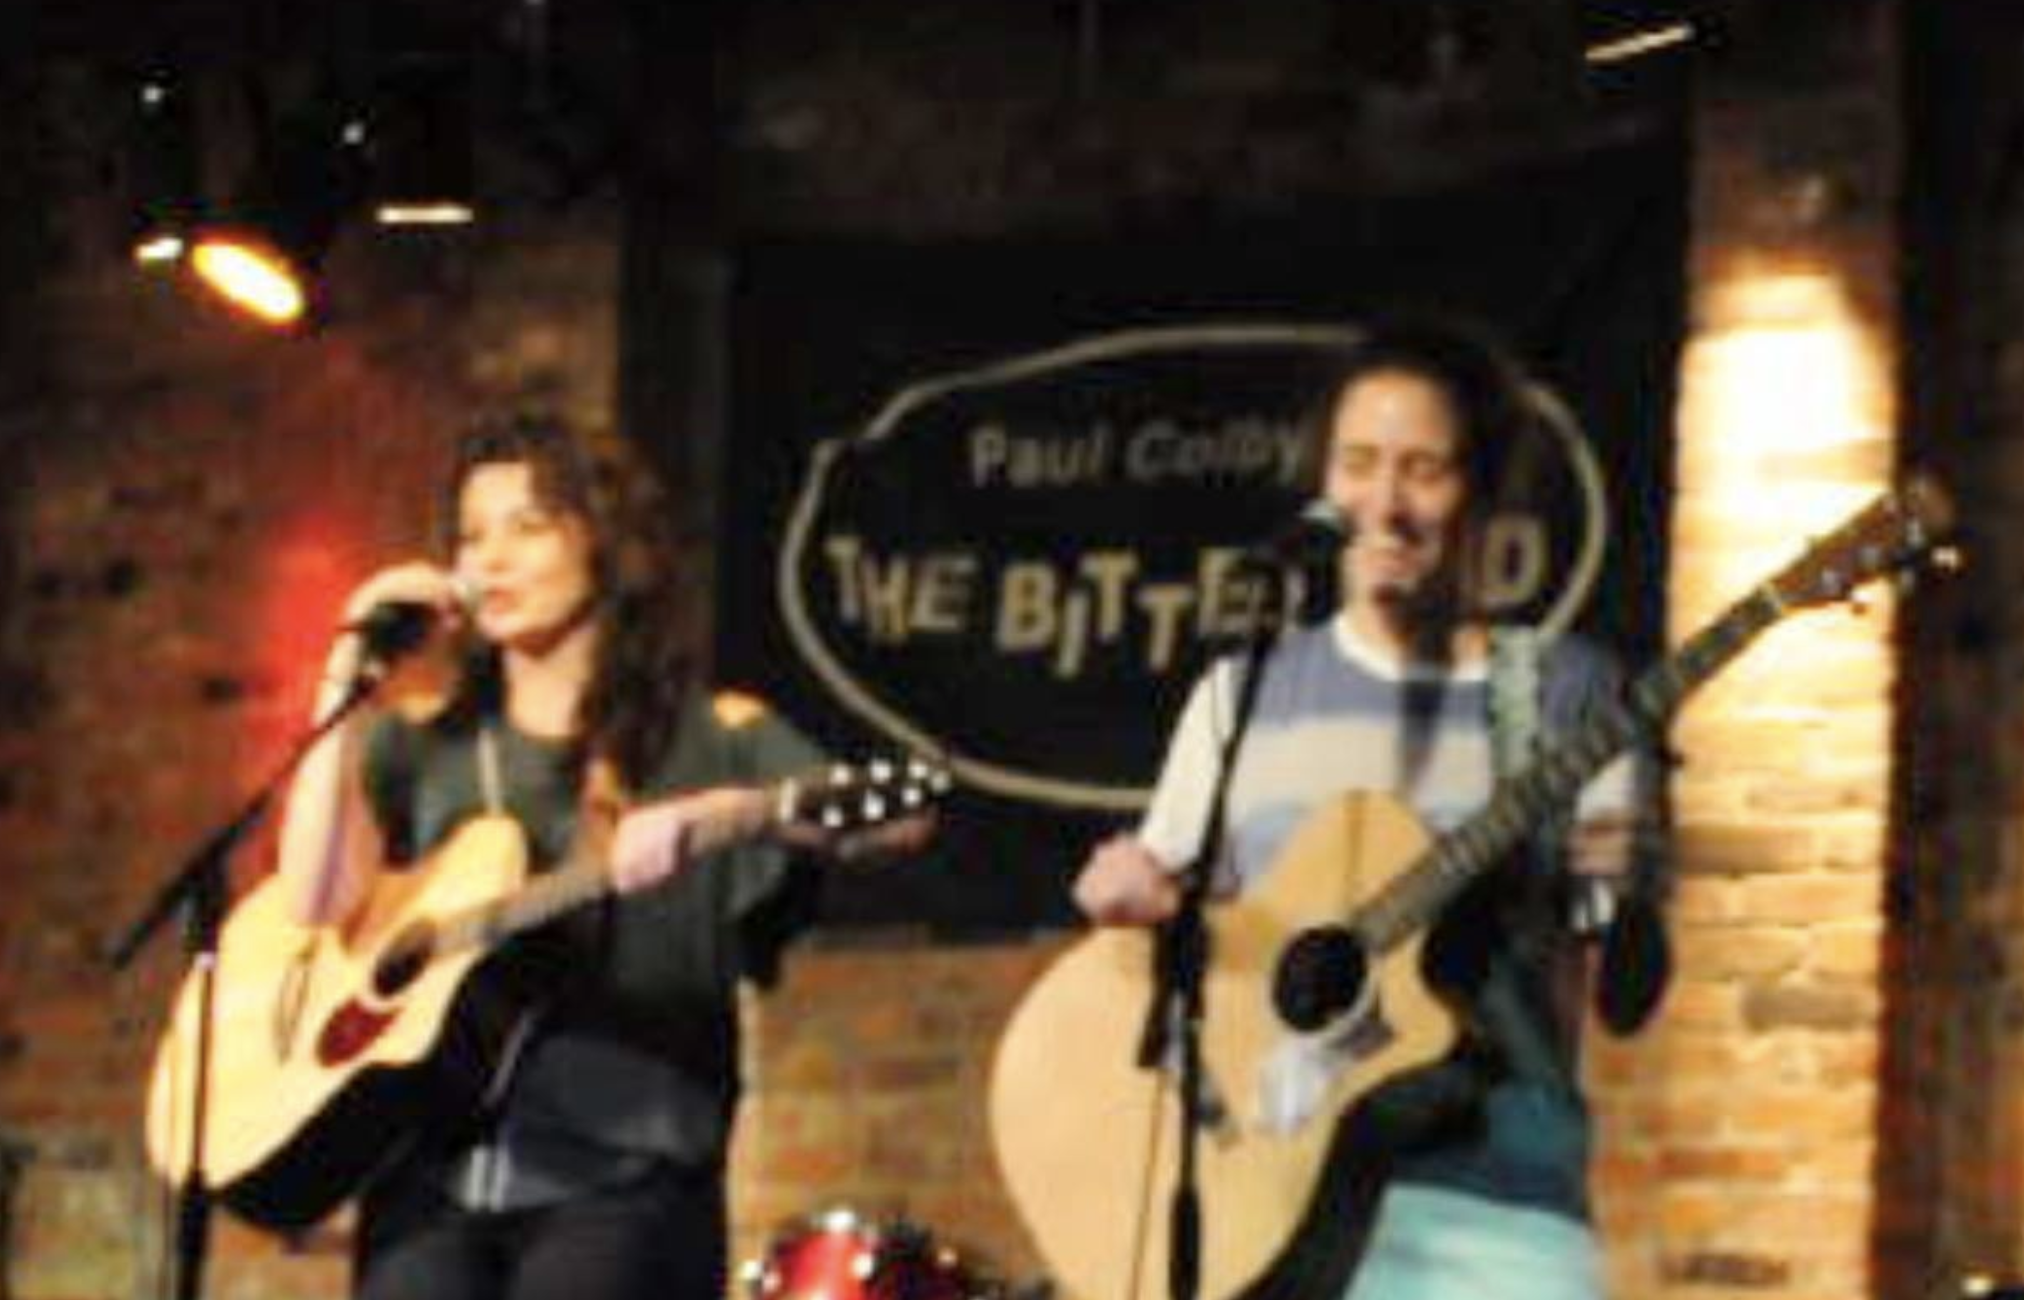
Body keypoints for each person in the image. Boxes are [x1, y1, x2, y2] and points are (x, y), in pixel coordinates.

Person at [1071, 321, 1666, 1300]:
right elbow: (1178, 958)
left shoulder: (1562, 695)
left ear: (1476, 492)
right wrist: (1127, 902)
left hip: (1492, 1212)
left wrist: (1624, 900)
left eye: (1422, 470)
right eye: (1357, 464)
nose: (1383, 503)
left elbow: (1628, 996)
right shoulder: (1241, 692)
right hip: (1267, 1208)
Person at [276, 415, 925, 1300]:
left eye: (528, 525)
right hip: (425, 1181)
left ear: (604, 544)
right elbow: (314, 900)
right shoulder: (419, 745)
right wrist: (346, 670)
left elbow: (900, 821)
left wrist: (725, 815)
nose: (491, 557)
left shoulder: (712, 734)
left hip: (622, 1178)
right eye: (471, 535)